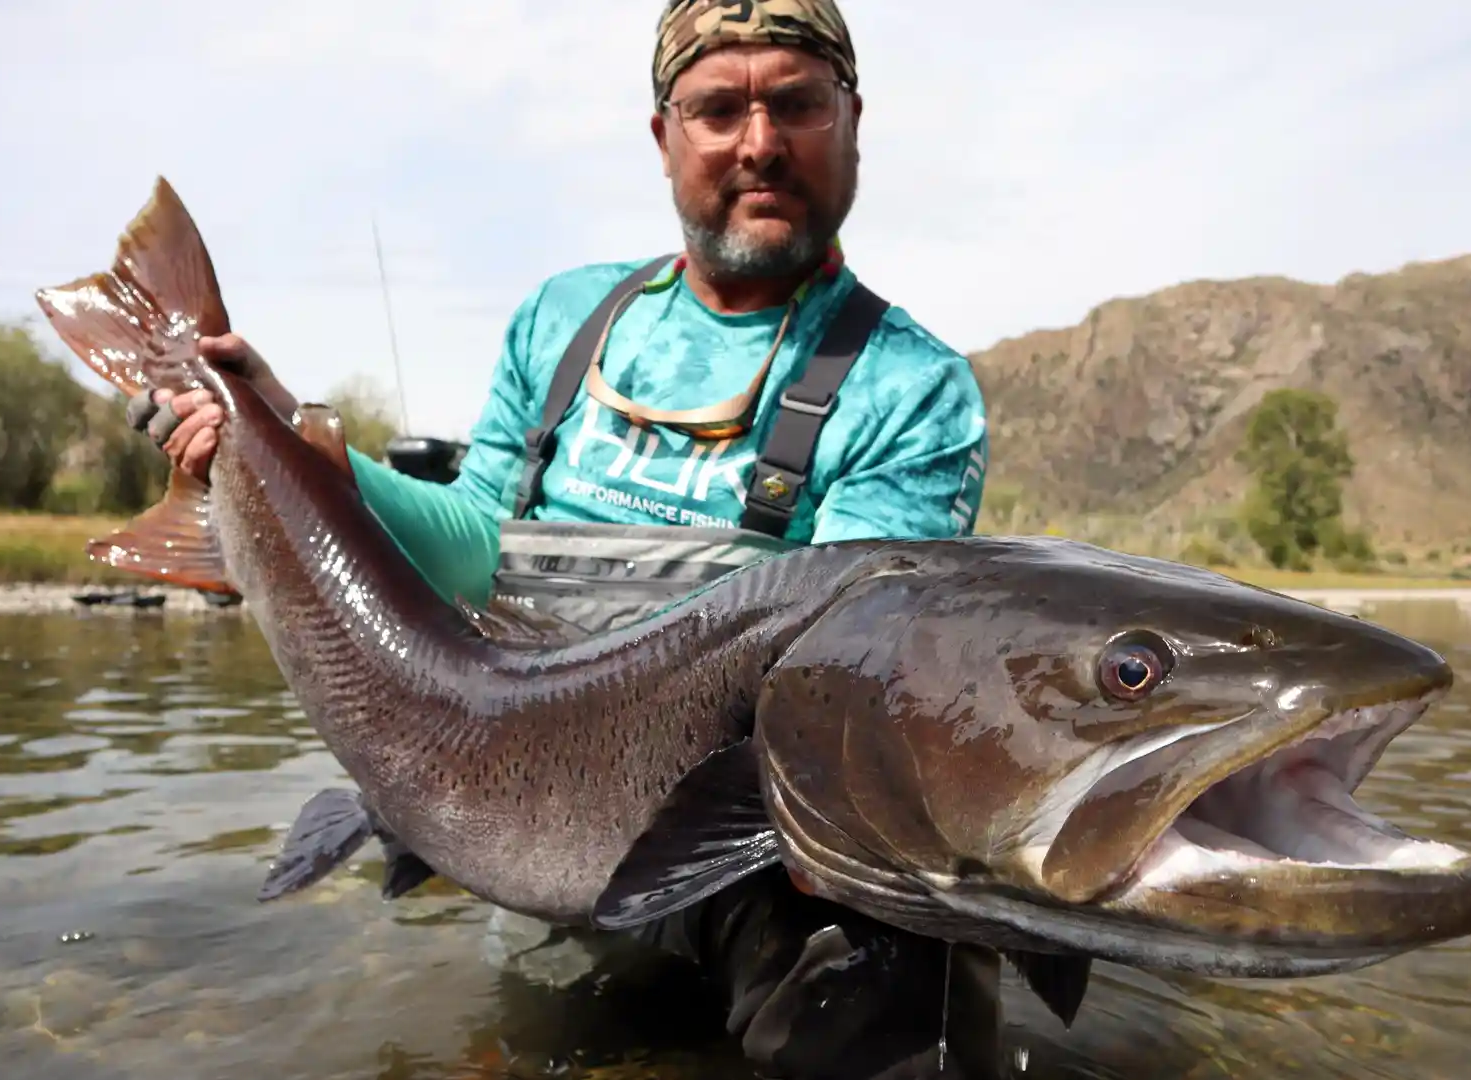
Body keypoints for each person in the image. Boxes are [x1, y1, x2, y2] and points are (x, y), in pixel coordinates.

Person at [131, 2, 1000, 1075]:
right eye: (720, 108)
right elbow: (473, 544)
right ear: (663, 134)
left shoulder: (912, 387)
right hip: (528, 826)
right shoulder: (565, 319)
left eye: (796, 103)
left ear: (852, 120)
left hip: (752, 851)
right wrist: (289, 445)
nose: (761, 141)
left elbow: (836, 681)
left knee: (903, 980)